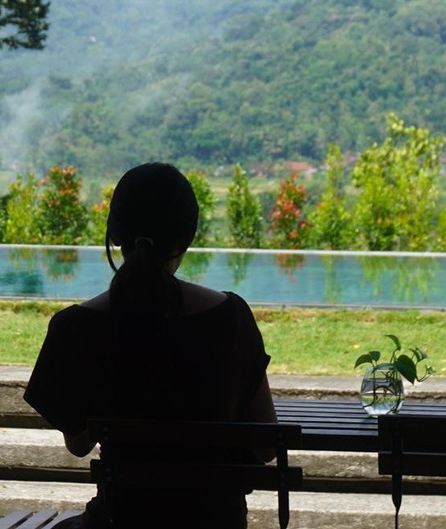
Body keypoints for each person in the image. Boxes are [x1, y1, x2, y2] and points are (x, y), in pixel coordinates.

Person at [24, 161, 276, 529]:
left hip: (119, 521)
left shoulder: (74, 327)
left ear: (114, 235)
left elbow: (78, 446)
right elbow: (266, 444)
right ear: (187, 236)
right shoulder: (231, 317)